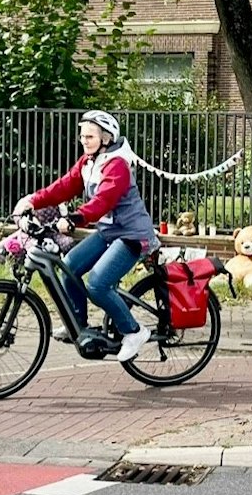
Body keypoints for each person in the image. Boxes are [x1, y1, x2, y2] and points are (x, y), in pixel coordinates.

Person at [14, 109, 158, 360]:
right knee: (69, 266)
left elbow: (103, 201)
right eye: (82, 136)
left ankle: (134, 331)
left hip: (132, 234)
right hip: (109, 232)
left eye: (89, 136)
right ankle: (78, 326)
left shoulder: (117, 165)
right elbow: (64, 186)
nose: (84, 140)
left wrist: (74, 218)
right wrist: (33, 201)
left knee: (98, 284)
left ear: (106, 138)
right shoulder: (89, 162)